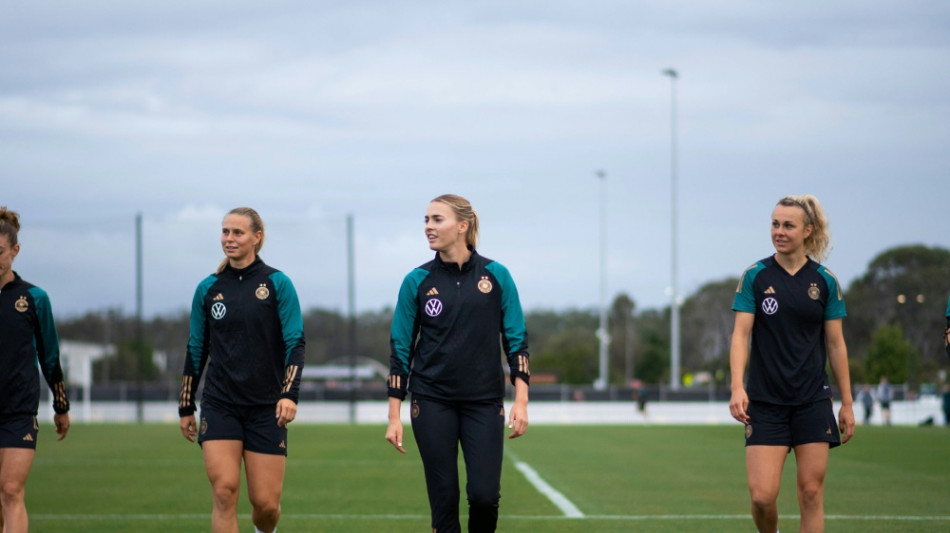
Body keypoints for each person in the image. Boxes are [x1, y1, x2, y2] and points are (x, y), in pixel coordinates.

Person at [385, 194, 530, 533]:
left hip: (484, 401)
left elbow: (516, 340)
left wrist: (521, 400)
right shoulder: (416, 281)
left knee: (483, 496)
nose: (428, 228)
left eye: (437, 220)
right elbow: (400, 349)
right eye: (426, 220)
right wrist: (394, 415)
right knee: (444, 499)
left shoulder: (497, 276)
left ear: (462, 226)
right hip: (432, 400)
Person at [729, 194, 855, 533]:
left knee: (811, 493)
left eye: (788, 225)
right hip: (766, 403)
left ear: (807, 231)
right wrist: (737, 386)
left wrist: (847, 402)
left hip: (812, 401)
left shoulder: (825, 281)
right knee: (761, 497)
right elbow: (741, 335)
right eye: (774, 224)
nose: (779, 231)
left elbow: (836, 344)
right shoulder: (755, 276)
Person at [178, 207, 305, 533]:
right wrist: (186, 404)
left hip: (267, 408)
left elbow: (295, 343)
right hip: (221, 404)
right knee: (224, 491)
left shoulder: (278, 283)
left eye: (237, 232)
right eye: (225, 232)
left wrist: (289, 394)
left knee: (265, 505)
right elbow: (196, 349)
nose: (229, 238)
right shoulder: (208, 289)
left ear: (256, 238)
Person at [0, 207, 70, 533]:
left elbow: (50, 356)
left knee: (11, 491)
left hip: (19, 410)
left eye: (0, 252)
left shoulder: (34, 298)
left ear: (15, 251)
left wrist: (61, 405)